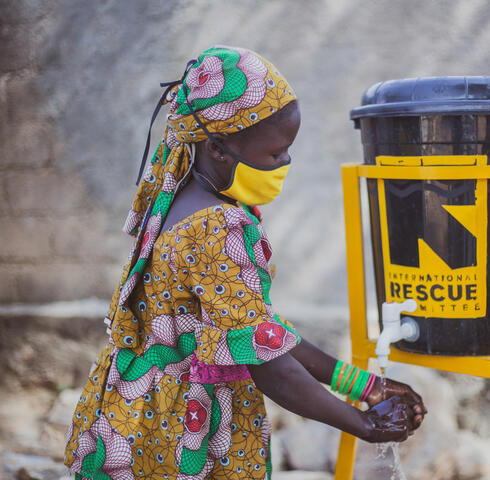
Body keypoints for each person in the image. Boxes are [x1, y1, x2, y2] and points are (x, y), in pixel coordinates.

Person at [64, 45, 426, 480]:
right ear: (218, 147)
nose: (286, 161)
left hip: (135, 415)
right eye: (276, 153)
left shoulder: (175, 202)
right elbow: (268, 363)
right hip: (183, 431)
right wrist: (364, 424)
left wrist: (365, 386)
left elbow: (260, 332)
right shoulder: (219, 227)